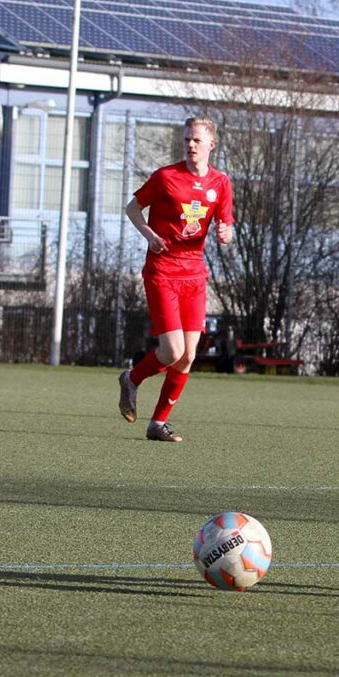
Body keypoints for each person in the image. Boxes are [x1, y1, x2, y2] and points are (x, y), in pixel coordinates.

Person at [118, 117, 236, 442]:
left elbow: (226, 227)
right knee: (171, 351)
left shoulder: (221, 183)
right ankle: (132, 378)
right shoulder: (166, 177)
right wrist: (149, 234)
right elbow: (132, 209)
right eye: (187, 139)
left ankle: (158, 423)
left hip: (195, 274)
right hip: (163, 271)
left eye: (197, 140)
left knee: (188, 356)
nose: (190, 145)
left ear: (211, 144)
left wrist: (227, 233)